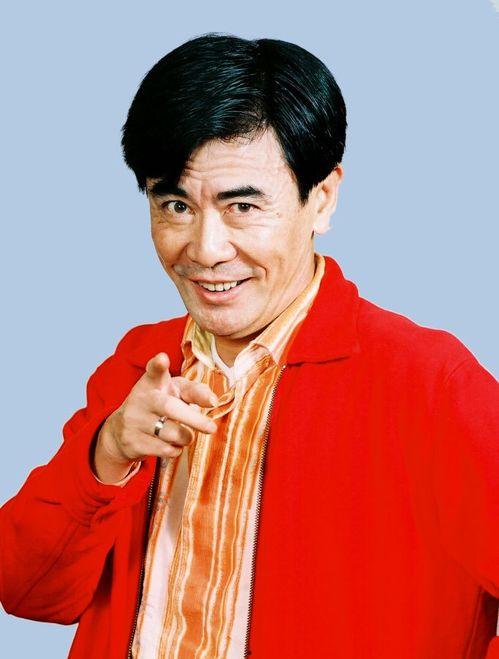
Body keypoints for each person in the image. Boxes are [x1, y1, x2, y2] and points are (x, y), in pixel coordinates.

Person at [1, 32, 498, 659]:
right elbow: (27, 592)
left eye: (241, 206)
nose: (205, 249)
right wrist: (108, 452)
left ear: (322, 198)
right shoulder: (138, 366)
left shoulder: (429, 382)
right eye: (175, 204)